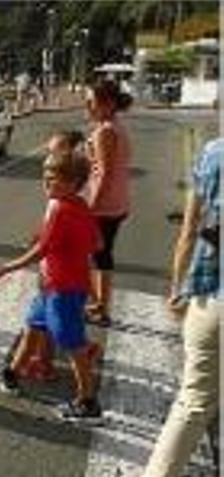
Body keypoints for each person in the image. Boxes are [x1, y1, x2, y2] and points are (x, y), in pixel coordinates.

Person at [0, 152, 103, 422]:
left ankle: (88, 402)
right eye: (45, 177)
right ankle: (11, 375)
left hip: (64, 289)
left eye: (54, 179)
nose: (46, 183)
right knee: (33, 328)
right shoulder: (80, 205)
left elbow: (42, 250)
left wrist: (5, 268)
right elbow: (97, 243)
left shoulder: (61, 209)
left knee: (72, 345)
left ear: (74, 183)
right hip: (54, 285)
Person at [135, 138, 221, 477]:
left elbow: (188, 232)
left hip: (212, 299)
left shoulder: (214, 152)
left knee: (193, 402)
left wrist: (178, 289)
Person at [84, 79, 133, 327]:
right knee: (102, 255)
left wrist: (89, 207)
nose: (87, 107)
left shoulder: (105, 131)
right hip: (117, 201)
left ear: (108, 104)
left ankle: (98, 307)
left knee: (93, 256)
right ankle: (99, 305)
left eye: (91, 102)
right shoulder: (116, 126)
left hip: (104, 205)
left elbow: (103, 173)